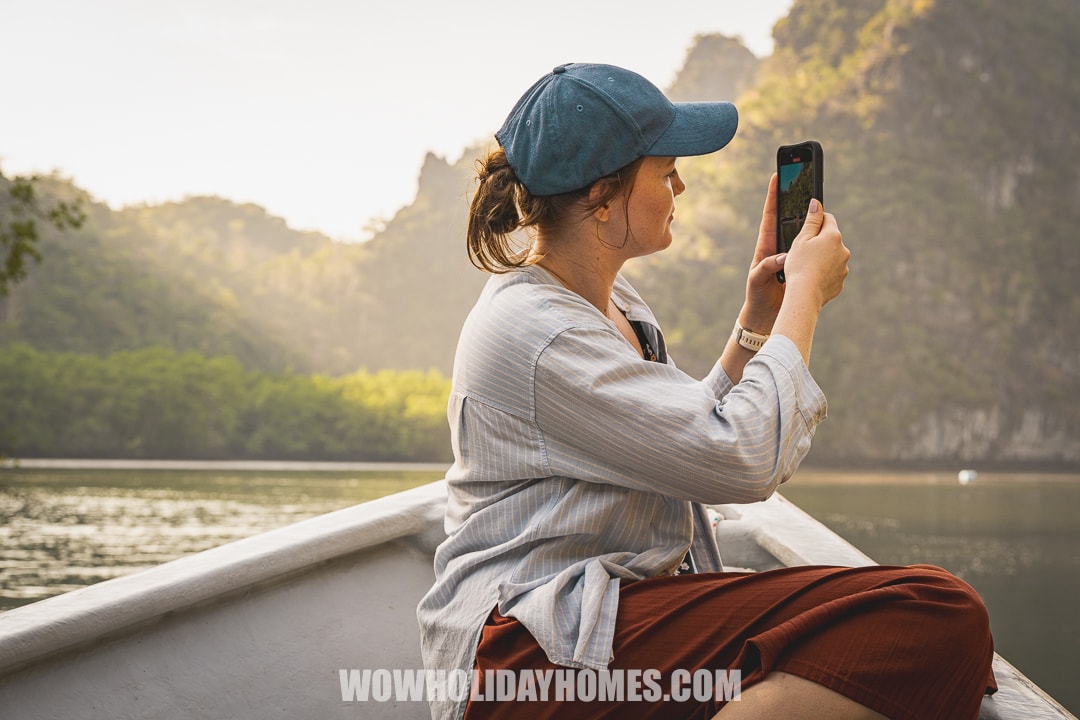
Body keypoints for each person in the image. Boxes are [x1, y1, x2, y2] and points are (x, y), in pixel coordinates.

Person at [417, 62, 995, 720]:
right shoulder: (536, 332)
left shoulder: (608, 304)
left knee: (916, 620)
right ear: (604, 196)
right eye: (665, 172)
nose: (681, 185)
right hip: (527, 657)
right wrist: (805, 295)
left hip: (586, 630)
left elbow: (685, 434)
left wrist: (758, 321)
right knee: (936, 614)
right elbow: (740, 458)